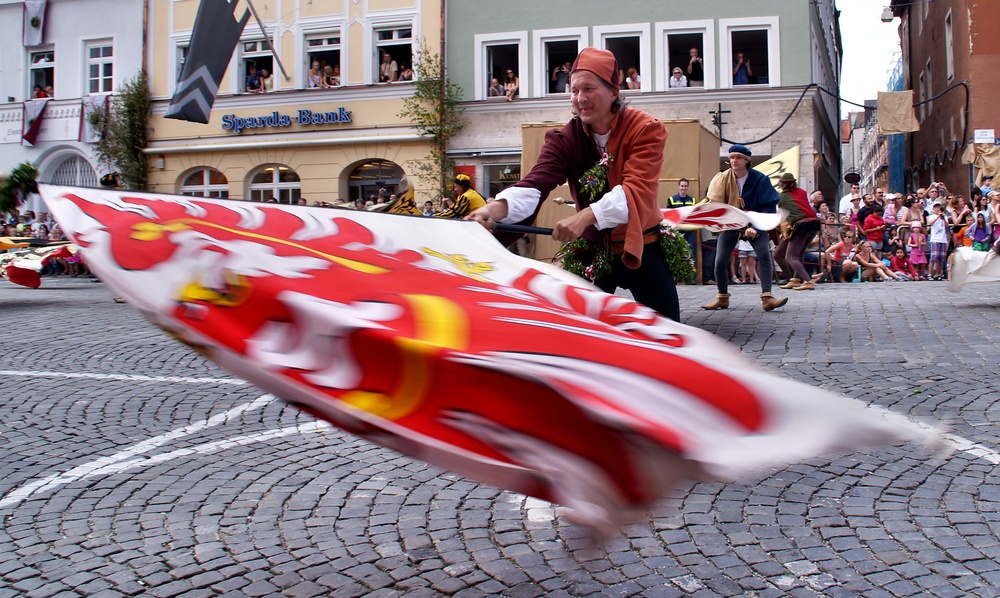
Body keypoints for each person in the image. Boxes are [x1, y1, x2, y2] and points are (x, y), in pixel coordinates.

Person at [467, 47, 680, 322]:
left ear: (613, 91)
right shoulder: (564, 138)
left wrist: (584, 217)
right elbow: (538, 180)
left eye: (588, 88)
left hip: (643, 245)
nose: (580, 98)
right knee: (577, 330)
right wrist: (495, 210)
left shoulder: (645, 129)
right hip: (592, 250)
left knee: (669, 337)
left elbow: (635, 191)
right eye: (574, 90)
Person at [702, 144, 787, 311]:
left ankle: (767, 297)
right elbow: (716, 203)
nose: (734, 161)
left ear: (746, 161)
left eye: (738, 158)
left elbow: (769, 205)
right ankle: (722, 297)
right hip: (732, 223)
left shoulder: (760, 179)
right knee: (720, 261)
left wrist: (755, 227)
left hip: (754, 223)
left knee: (763, 255)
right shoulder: (723, 178)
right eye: (732, 158)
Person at [776, 172, 819, 291]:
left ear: (782, 184)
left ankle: (807, 281)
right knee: (800, 253)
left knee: (791, 256)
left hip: (802, 225)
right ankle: (795, 280)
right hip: (814, 223)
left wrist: (787, 231)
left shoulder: (782, 197)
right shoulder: (802, 192)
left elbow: (785, 216)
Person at [668, 178, 697, 282]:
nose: (683, 188)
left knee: (690, 253)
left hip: (689, 231)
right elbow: (669, 215)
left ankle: (690, 278)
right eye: (682, 186)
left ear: (687, 187)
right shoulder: (672, 199)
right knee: (676, 253)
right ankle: (675, 278)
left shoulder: (692, 200)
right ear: (678, 186)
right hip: (677, 231)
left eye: (685, 186)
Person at [927, 202, 950, 279]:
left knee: (941, 257)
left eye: (938, 207)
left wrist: (943, 218)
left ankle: (937, 273)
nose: (937, 209)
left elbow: (947, 226)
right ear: (933, 209)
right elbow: (930, 223)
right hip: (935, 239)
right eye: (936, 207)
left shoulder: (944, 217)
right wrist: (938, 217)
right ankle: (930, 273)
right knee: (934, 257)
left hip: (943, 239)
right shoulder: (931, 216)